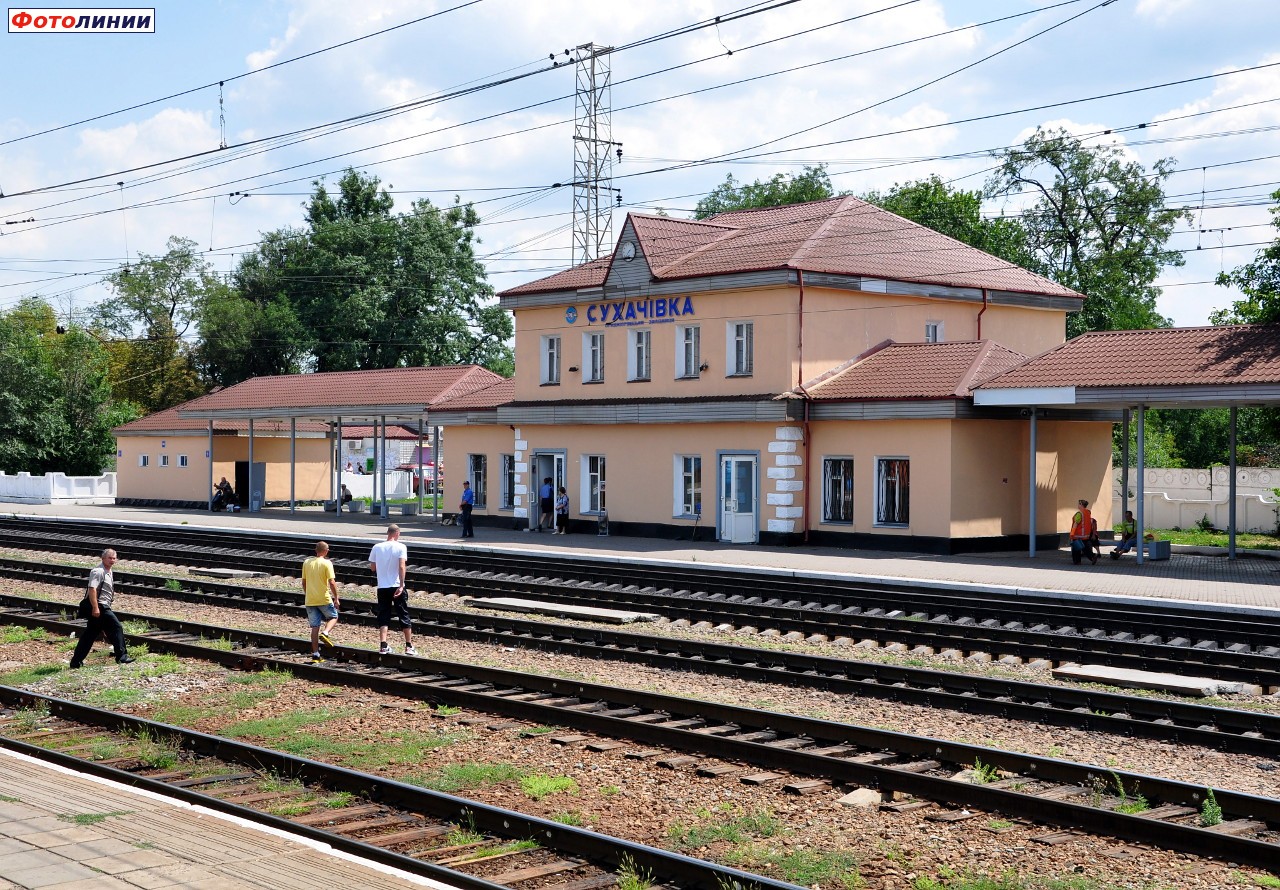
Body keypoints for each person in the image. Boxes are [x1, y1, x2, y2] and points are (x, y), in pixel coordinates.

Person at [70, 549, 132, 668]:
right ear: (103, 558)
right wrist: (95, 608)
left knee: (90, 635)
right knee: (117, 627)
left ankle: (75, 662)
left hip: (102, 606)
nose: (112, 560)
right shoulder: (98, 571)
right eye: (110, 558)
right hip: (100, 606)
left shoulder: (109, 571)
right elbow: (92, 589)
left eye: (114, 558)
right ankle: (122, 657)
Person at [369, 524, 416, 655]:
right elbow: (402, 566)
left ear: (388, 533)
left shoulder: (377, 547)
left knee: (383, 615)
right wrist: (401, 585)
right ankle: (408, 646)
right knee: (403, 614)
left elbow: (373, 567)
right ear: (397, 533)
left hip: (382, 586)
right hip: (396, 586)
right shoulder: (401, 547)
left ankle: (383, 645)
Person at [301, 541, 340, 662]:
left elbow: (304, 582)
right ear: (326, 551)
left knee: (314, 627)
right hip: (323, 598)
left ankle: (316, 655)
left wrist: (308, 593)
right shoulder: (327, 563)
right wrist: (336, 598)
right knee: (334, 616)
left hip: (310, 599)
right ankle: (326, 633)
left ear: (315, 550)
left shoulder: (307, 562)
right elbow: (332, 582)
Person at [1069, 499, 1093, 565]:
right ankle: (1092, 557)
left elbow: (1076, 523)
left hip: (1078, 535)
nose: (1078, 505)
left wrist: (1072, 533)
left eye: (1079, 504)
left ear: (1081, 505)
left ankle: (1077, 561)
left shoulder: (1079, 513)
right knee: (1086, 549)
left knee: (1076, 549)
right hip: (1086, 535)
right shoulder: (1088, 513)